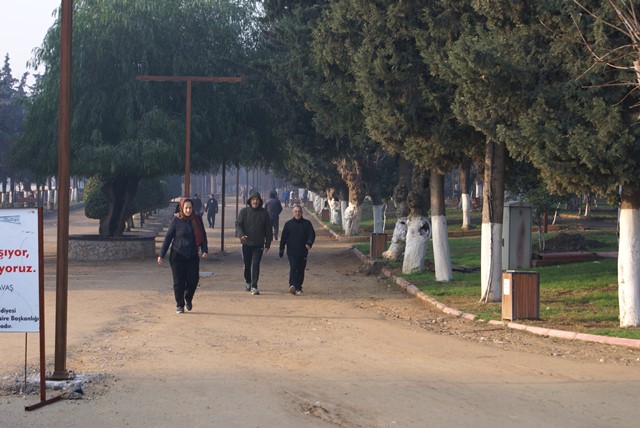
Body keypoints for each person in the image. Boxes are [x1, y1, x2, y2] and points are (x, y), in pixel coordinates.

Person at [158, 198, 208, 313]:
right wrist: (161, 255)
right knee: (178, 281)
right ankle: (180, 304)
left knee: (193, 280)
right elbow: (168, 238)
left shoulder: (197, 219)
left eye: (190, 208)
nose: (188, 210)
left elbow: (203, 235)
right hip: (177, 255)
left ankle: (188, 298)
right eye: (186, 208)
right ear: (182, 208)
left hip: (192, 255)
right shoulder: (176, 220)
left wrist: (204, 249)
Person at [236, 191, 273, 295]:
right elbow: (238, 224)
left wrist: (268, 243)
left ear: (260, 201)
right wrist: (241, 234)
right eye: (253, 199)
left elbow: (268, 229)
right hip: (246, 243)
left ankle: (254, 286)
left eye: (257, 199)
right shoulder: (244, 212)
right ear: (250, 201)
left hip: (258, 244)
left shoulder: (264, 213)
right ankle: (248, 281)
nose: (255, 201)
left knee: (256, 264)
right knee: (247, 265)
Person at [279, 204, 316, 296]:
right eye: (295, 212)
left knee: (301, 269)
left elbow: (312, 234)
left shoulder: (307, 223)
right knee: (293, 267)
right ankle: (292, 285)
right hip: (291, 251)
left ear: (302, 213)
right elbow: (284, 237)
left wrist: (309, 243)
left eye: (299, 212)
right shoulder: (288, 224)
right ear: (293, 213)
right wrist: (281, 249)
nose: (297, 213)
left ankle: (299, 287)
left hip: (303, 251)